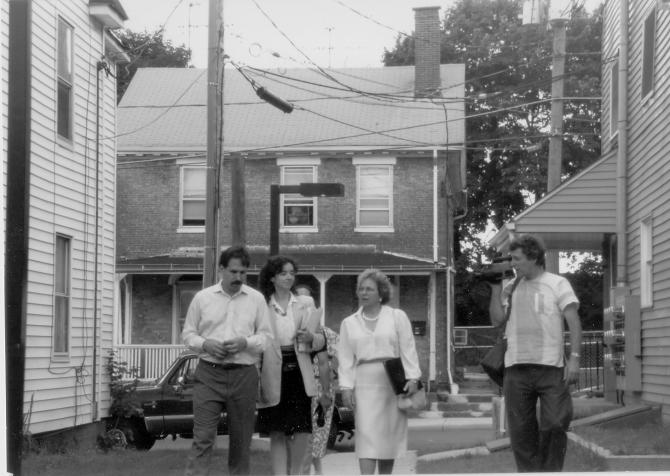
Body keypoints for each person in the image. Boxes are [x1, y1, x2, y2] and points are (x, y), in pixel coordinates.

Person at [488, 234, 582, 472]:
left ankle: (549, 471)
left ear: (533, 257)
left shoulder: (557, 283)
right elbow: (497, 321)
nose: (513, 263)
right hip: (516, 368)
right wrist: (495, 288)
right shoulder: (512, 286)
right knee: (521, 434)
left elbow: (574, 322)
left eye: (517, 259)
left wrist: (574, 359)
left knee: (556, 423)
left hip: (551, 367)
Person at [182, 246, 273, 476]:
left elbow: (266, 338)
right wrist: (206, 344)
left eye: (243, 272)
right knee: (202, 438)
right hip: (208, 374)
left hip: (244, 375)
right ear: (221, 270)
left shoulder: (256, 299)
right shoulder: (202, 299)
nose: (238, 277)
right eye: (233, 272)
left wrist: (246, 343)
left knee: (241, 443)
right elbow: (188, 334)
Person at [338, 269, 421, 475]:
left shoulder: (396, 316)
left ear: (381, 293)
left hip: (392, 382)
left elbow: (408, 348)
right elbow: (346, 358)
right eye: (361, 289)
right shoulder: (349, 323)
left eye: (369, 289)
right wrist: (346, 387)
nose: (364, 293)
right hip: (364, 383)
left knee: (387, 438)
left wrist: (413, 377)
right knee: (366, 436)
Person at [256, 256, 330, 475]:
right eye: (283, 273)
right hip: (272, 371)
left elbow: (320, 342)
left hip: (299, 371)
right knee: (277, 431)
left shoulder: (304, 304)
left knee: (302, 430)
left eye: (291, 273)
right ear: (272, 277)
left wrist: (310, 337)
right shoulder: (261, 305)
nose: (289, 277)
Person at [295, 284, 339, 475]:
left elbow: (338, 357)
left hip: (320, 386)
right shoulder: (291, 331)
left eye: (308, 301)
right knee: (301, 434)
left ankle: (317, 470)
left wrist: (331, 383)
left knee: (318, 433)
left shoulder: (326, 333)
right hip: (297, 385)